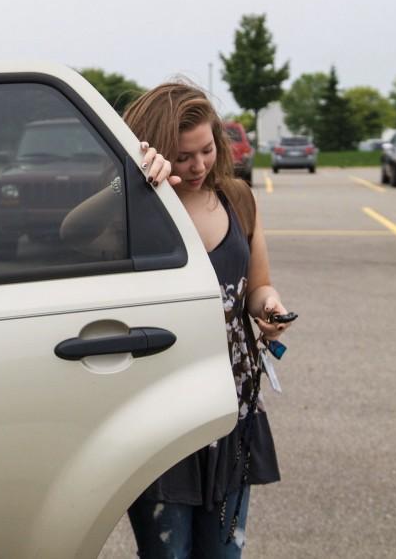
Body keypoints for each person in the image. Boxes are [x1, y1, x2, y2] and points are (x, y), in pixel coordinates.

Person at [61, 82, 292, 558]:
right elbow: (72, 232)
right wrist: (128, 176)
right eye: (183, 156)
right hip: (160, 409)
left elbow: (257, 286)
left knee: (225, 553)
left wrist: (269, 308)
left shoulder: (238, 198)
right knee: (168, 553)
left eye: (207, 150)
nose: (198, 165)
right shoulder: (136, 207)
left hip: (231, 406)